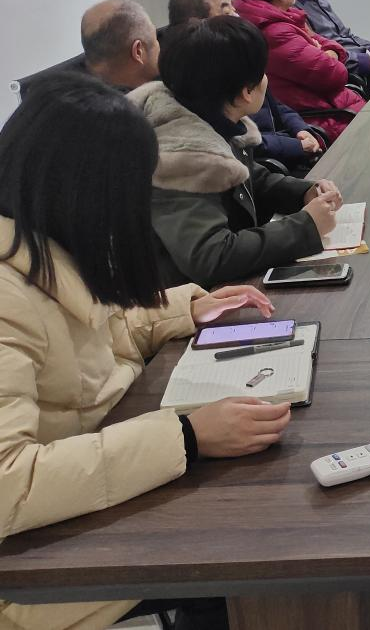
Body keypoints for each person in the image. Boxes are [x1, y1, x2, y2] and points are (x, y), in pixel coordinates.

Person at [0, 72, 292, 630]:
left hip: (83, 494)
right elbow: (9, 484)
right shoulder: (9, 295)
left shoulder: (41, 243)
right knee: (246, 548)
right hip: (27, 567)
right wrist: (186, 436)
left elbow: (99, 340)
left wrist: (187, 309)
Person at [130, 16, 342, 289]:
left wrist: (303, 193)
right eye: (262, 73)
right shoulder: (181, 156)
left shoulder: (205, 114)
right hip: (188, 299)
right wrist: (305, 227)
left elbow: (245, 176)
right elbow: (210, 257)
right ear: (246, 92)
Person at [169, 0, 324, 171]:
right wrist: (296, 146)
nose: (237, 16)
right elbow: (241, 139)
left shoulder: (240, 54)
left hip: (285, 152)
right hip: (270, 164)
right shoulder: (209, 76)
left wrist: (300, 128)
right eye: (227, 12)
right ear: (198, 25)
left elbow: (277, 105)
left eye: (233, 9)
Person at [231, 0, 365, 141]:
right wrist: (326, 52)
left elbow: (327, 43)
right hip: (326, 119)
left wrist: (326, 50)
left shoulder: (284, 16)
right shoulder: (275, 32)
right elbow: (335, 75)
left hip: (334, 106)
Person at [78, 0, 161, 91]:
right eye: (155, 39)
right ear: (138, 52)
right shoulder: (164, 96)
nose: (160, 47)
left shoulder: (74, 93)